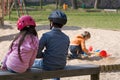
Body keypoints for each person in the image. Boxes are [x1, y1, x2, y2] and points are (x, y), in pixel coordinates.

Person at [32, 10, 70, 80]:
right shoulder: (66, 37)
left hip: (47, 65)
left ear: (51, 23)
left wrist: (44, 55)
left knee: (31, 63)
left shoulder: (46, 35)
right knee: (56, 67)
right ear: (62, 24)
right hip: (61, 65)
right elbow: (64, 53)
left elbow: (37, 53)